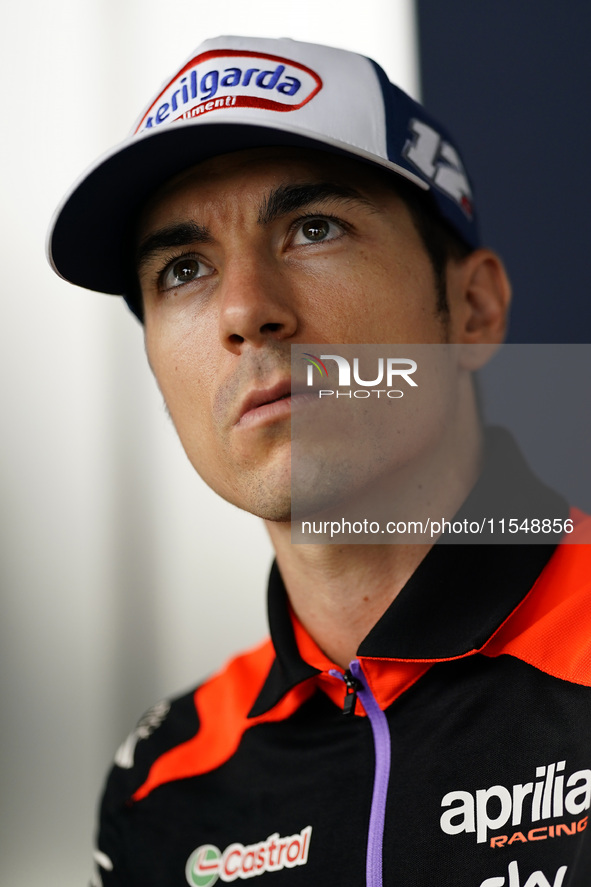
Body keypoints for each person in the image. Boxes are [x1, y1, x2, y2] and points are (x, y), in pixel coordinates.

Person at [48, 35, 591, 887]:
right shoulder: (163, 784)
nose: (244, 310)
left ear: (473, 310)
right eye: (183, 269)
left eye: (312, 228)